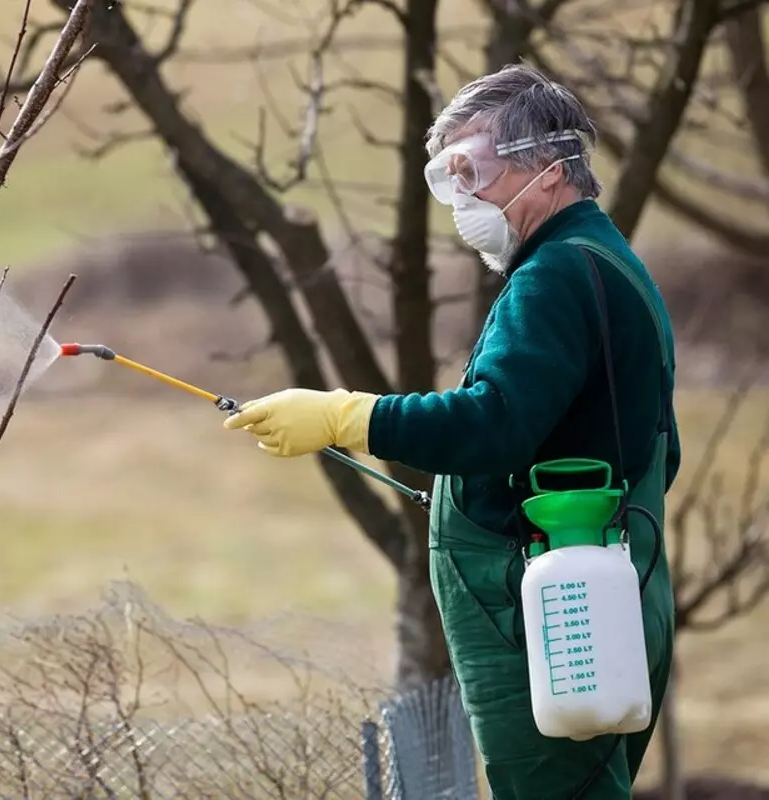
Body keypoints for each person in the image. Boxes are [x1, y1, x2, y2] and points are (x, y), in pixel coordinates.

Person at [222, 63, 679, 800]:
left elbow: (492, 424)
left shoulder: (555, 276)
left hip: (554, 616)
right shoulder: (602, 262)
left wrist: (347, 416)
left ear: (551, 166)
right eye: (450, 175)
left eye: (476, 170)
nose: (463, 197)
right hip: (600, 598)